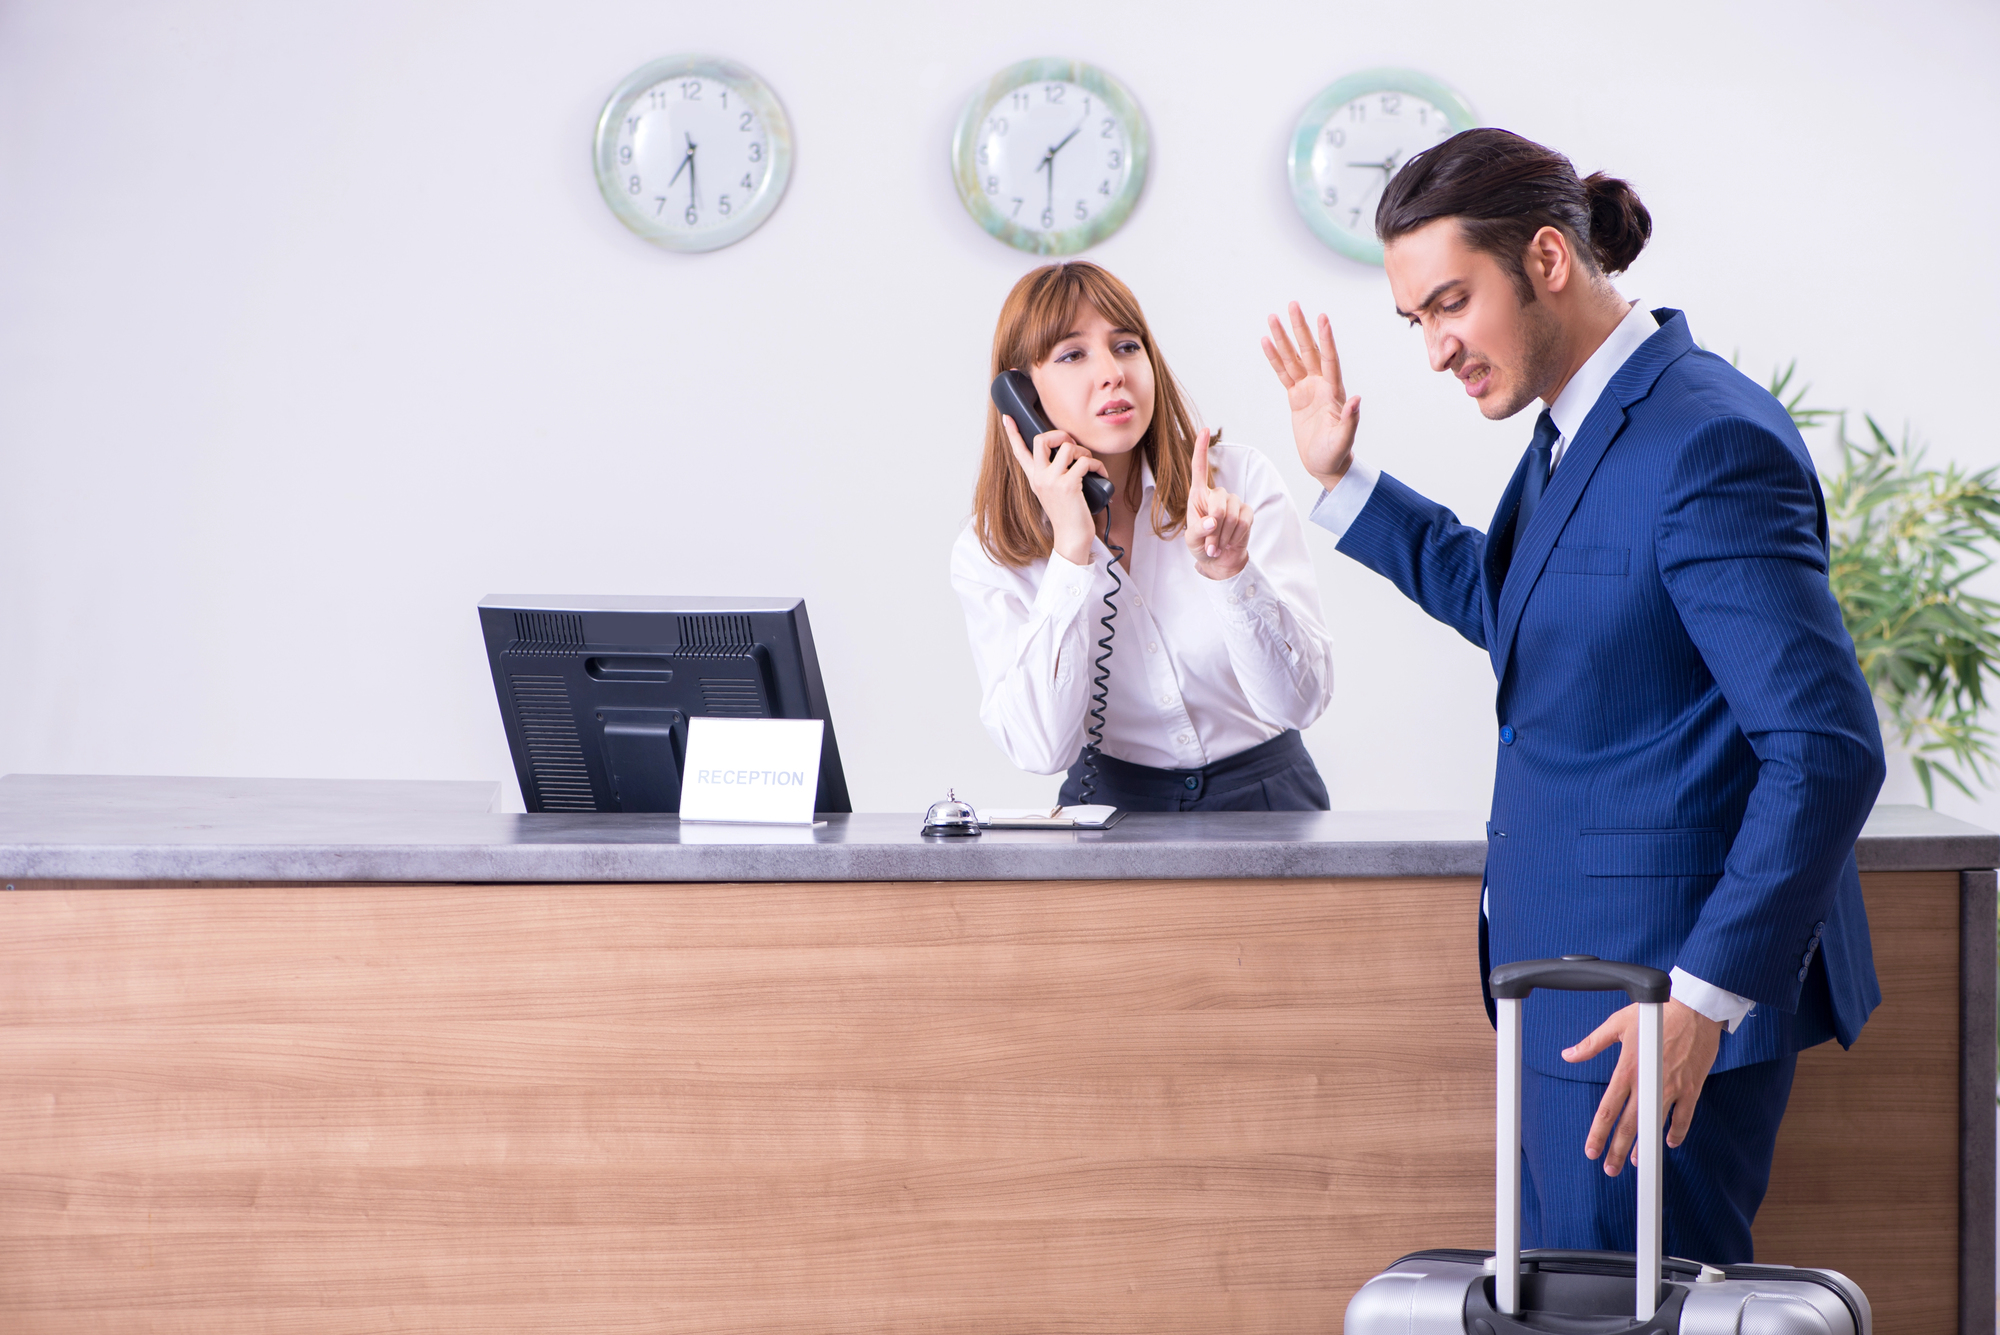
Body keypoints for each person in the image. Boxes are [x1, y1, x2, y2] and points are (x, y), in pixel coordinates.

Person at [1261, 129, 1883, 1263]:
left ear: (1546, 258)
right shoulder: (1574, 427)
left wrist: (1696, 1003)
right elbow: (1525, 611)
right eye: (1416, 323)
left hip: (1650, 1003)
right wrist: (1343, 483)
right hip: (1571, 988)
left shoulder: (1704, 440)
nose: (1436, 350)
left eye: (1449, 303)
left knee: (1626, 1306)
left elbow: (1824, 748)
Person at [952, 260, 1336, 811]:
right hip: (1109, 808)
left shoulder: (1240, 481)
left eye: (1127, 346)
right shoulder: (990, 550)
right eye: (1072, 354)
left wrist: (1232, 573)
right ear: (1022, 398)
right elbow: (1041, 748)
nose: (1112, 372)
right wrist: (1069, 551)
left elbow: (1299, 704)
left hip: (1269, 800)